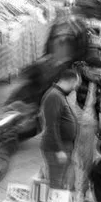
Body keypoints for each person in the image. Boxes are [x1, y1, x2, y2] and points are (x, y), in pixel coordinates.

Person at [37, 64, 80, 193]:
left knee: (61, 184)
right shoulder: (54, 96)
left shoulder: (59, 95)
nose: (74, 88)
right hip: (56, 149)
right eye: (75, 85)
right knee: (56, 185)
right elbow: (51, 126)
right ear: (71, 81)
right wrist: (59, 150)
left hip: (64, 147)